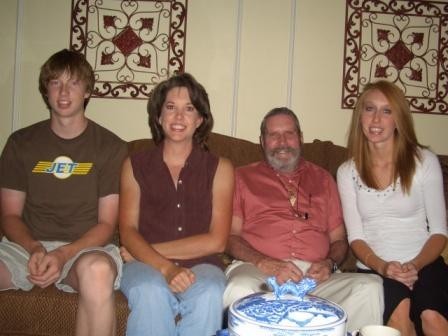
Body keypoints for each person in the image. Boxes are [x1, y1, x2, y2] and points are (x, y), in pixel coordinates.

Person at [0, 49, 127, 336]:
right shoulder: (20, 143)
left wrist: (62, 254)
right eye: (56, 82)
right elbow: (9, 215)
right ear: (46, 91)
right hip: (24, 247)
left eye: (74, 82)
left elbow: (107, 225)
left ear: (87, 90)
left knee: (98, 273)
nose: (64, 91)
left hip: (84, 249)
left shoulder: (110, 147)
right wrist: (35, 248)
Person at [223, 107, 384, 332]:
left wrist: (329, 263)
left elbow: (339, 240)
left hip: (315, 279)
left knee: (370, 287)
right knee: (240, 289)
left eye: (289, 133)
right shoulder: (242, 177)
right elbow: (230, 238)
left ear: (300, 138)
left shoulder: (324, 179)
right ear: (262, 141)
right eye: (273, 135)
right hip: (258, 269)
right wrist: (263, 262)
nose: (282, 142)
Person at [119, 73, 234, 336]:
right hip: (144, 267)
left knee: (210, 293)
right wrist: (165, 267)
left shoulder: (221, 168)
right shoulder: (134, 165)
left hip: (202, 263)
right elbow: (127, 231)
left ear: (200, 120)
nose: (179, 117)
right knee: (149, 291)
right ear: (159, 117)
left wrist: (145, 250)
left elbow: (217, 241)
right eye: (170, 107)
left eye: (189, 109)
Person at [337, 80, 448, 336]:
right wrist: (384, 266)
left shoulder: (424, 161)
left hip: (424, 264)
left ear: (399, 119)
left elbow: (440, 231)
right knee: (399, 319)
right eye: (370, 109)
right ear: (360, 116)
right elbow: (356, 237)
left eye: (387, 111)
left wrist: (415, 265)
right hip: (376, 270)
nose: (376, 119)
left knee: (432, 318)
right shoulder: (347, 172)